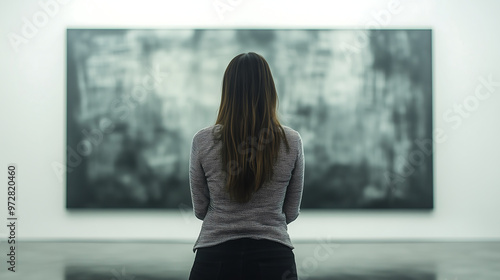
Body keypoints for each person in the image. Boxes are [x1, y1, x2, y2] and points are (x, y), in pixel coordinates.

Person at [188, 52, 305, 280]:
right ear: (269, 91)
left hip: (215, 258)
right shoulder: (291, 141)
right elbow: (291, 212)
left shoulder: (202, 141)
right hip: (274, 260)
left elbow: (200, 209)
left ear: (228, 91)